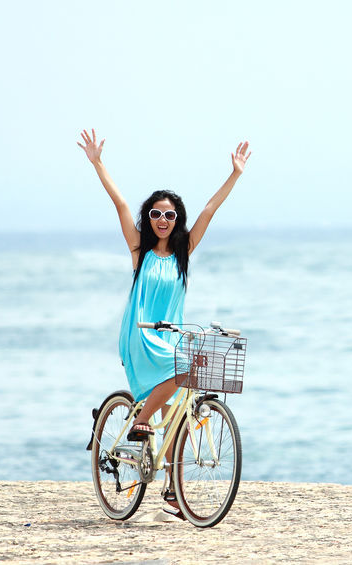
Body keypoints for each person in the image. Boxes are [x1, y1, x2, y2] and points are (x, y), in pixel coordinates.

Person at [77, 128, 251, 518]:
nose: (162, 220)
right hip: (140, 335)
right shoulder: (139, 249)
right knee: (184, 375)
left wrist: (235, 174)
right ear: (149, 218)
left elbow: (209, 210)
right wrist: (98, 163)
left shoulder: (183, 252)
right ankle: (139, 422)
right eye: (155, 213)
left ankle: (173, 492)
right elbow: (120, 203)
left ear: (177, 221)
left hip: (171, 338)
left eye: (169, 215)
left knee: (176, 416)